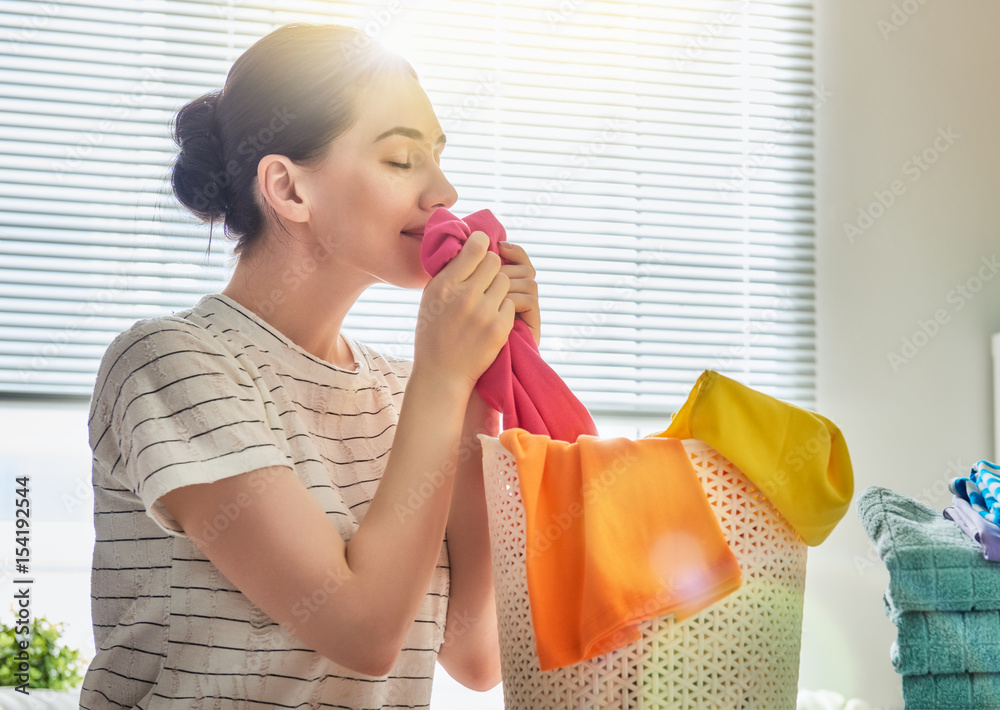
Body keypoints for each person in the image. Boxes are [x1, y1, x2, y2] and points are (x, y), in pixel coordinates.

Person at [81, 22, 541, 708]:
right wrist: (444, 379)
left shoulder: (402, 393)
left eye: (438, 158)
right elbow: (362, 631)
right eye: (400, 159)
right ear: (289, 190)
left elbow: (476, 655)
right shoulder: (168, 366)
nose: (444, 192)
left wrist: (484, 385)